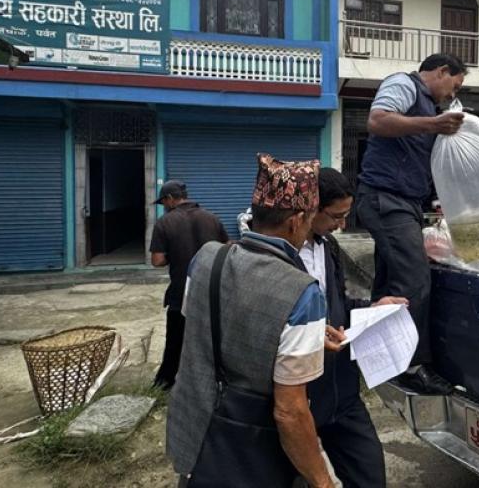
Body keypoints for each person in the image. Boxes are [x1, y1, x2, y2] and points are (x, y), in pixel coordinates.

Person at [167, 155, 335, 488]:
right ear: (296, 220)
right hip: (250, 455)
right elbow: (289, 412)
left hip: (193, 437)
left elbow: (200, 322)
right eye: (311, 218)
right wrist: (323, 482)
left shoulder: (206, 259)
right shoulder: (303, 293)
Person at [355, 53, 467, 395]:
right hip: (385, 199)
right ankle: (413, 366)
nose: (452, 94)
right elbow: (378, 121)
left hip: (403, 202)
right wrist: (434, 124)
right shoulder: (403, 84)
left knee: (390, 283)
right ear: (442, 71)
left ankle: (376, 357)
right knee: (414, 279)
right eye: (455, 85)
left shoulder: (430, 109)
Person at [301, 168, 406, 488]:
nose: (342, 225)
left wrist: (372, 309)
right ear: (310, 208)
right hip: (299, 394)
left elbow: (339, 308)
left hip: (341, 392)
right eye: (336, 216)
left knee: (369, 474)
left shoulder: (328, 247)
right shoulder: (276, 255)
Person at [149, 180, 228, 390]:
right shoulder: (211, 218)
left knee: (176, 340)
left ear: (170, 199)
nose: (163, 206)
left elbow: (157, 260)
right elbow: (226, 248)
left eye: (163, 201)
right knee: (211, 338)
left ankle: (167, 381)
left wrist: (174, 257)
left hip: (180, 293)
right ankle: (212, 380)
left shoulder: (164, 223)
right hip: (211, 291)